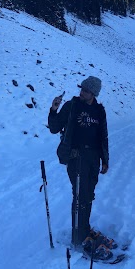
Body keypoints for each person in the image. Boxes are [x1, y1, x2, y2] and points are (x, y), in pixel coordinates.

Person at [48, 76, 112, 257]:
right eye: (82, 89)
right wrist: (54, 109)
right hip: (77, 158)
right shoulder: (72, 106)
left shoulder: (100, 111)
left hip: (93, 159)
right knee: (79, 195)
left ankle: (84, 229)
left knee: (88, 195)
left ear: (94, 94)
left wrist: (105, 159)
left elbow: (103, 136)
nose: (82, 92)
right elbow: (54, 127)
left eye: (86, 90)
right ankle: (78, 237)